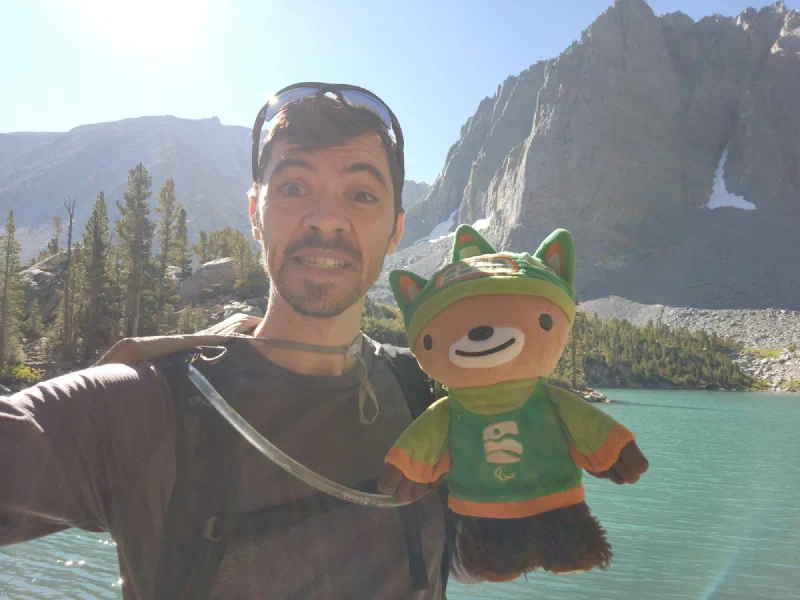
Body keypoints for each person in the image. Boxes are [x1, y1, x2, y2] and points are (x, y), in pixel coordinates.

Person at [0, 83, 491, 599]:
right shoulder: (145, 407)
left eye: (362, 194)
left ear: (396, 230)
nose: (326, 217)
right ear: (255, 214)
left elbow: (469, 556)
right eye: (295, 187)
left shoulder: (431, 400)